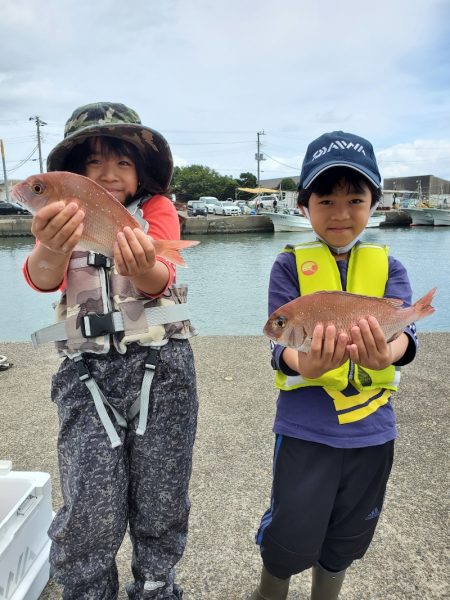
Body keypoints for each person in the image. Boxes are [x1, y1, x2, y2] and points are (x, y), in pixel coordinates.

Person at [23, 102, 198, 600]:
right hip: (84, 371)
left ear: (142, 171)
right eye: (94, 164)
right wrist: (53, 245)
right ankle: (86, 589)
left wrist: (143, 265)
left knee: (162, 495)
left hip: (161, 368)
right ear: (73, 175)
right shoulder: (58, 216)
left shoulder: (156, 211)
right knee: (89, 502)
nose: (109, 175)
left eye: (122, 163)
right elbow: (41, 278)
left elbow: (163, 277)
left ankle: (157, 584)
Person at [249, 131, 418, 600]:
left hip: (374, 428)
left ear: (374, 204)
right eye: (325, 199)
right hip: (305, 430)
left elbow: (407, 337)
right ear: (305, 206)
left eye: (354, 199)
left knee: (348, 535)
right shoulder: (288, 267)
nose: (340, 213)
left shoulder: (391, 267)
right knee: (289, 531)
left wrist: (390, 351)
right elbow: (277, 345)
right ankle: (269, 593)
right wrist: (302, 359)